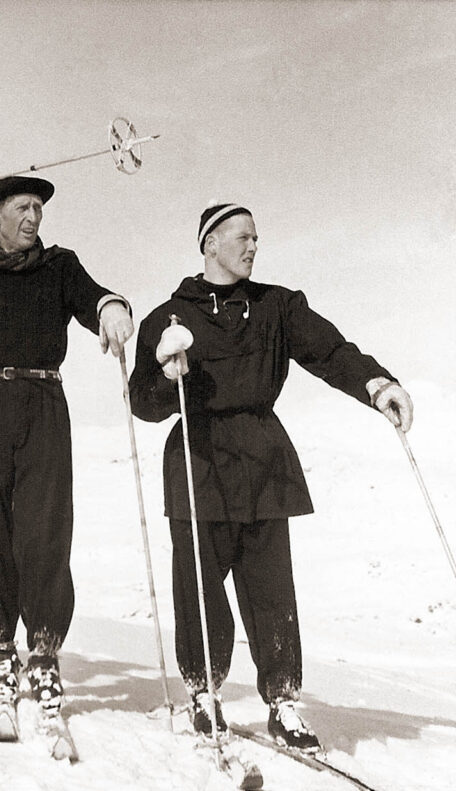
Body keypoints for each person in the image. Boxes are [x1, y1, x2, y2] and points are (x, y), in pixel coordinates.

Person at [129, 203, 414, 750]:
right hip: (198, 458)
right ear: (209, 243)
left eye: (256, 238)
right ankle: (203, 694)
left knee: (270, 587)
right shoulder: (168, 317)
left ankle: (283, 703)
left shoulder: (278, 307)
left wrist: (378, 386)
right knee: (200, 588)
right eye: (242, 237)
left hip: (263, 457)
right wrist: (168, 375)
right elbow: (143, 402)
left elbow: (331, 352)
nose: (253, 247)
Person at [0, 176, 135, 715]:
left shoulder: (58, 266)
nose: (33, 217)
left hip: (43, 401)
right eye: (22, 207)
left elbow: (92, 298)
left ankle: (43, 653)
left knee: (45, 530)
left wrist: (112, 307)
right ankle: (0, 648)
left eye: (39, 207)